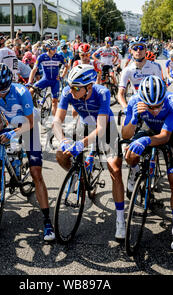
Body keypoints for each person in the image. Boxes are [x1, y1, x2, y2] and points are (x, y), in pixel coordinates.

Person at [52, 64, 126, 239]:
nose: (71, 91)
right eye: (70, 86)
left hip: (106, 127)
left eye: (76, 88)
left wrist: (81, 144)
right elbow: (57, 121)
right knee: (60, 155)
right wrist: (63, 141)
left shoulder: (102, 93)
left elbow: (101, 129)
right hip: (85, 124)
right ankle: (79, 174)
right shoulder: (68, 92)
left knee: (115, 169)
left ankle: (121, 219)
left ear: (89, 87)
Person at [0, 63, 55, 241]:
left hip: (29, 123)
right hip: (11, 123)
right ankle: (1, 173)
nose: (0, 93)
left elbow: (29, 124)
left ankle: (48, 221)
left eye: (4, 90)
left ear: (11, 82)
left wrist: (12, 132)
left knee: (36, 172)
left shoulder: (22, 92)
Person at [122, 75, 173, 250]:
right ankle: (134, 173)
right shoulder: (135, 100)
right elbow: (125, 135)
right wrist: (134, 118)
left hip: (170, 133)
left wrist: (147, 141)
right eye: (151, 106)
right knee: (130, 153)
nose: (155, 110)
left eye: (158, 105)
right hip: (148, 128)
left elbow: (165, 136)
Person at [117, 37, 163, 109]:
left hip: (153, 102)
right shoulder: (127, 70)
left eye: (141, 47)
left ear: (146, 50)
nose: (138, 50)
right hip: (137, 102)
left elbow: (161, 89)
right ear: (130, 51)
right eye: (135, 48)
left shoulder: (155, 66)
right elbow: (120, 94)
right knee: (127, 120)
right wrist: (125, 107)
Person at [27, 39, 68, 117]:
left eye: (56, 48)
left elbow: (66, 66)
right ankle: (30, 110)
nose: (55, 50)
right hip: (45, 79)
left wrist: (62, 76)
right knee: (31, 91)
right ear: (47, 48)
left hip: (55, 81)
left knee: (54, 101)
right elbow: (34, 69)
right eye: (53, 48)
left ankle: (55, 121)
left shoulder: (59, 56)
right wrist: (30, 82)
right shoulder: (41, 57)